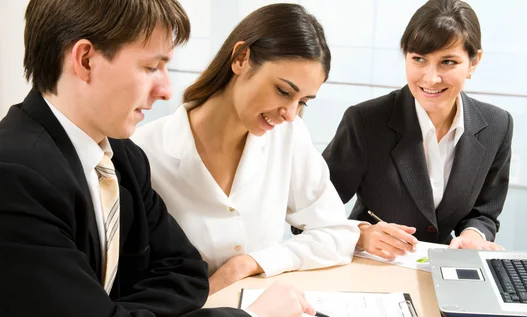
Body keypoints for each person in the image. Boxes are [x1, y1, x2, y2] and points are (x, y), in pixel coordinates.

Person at [0, 1, 317, 317]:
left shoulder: (122, 157)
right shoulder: (14, 173)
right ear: (85, 60)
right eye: (151, 67)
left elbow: (185, 272)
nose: (166, 89)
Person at [133, 3, 359, 295]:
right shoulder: (143, 152)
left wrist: (250, 263)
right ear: (241, 59)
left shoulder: (287, 136)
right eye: (283, 91)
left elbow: (336, 234)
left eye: (303, 101)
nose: (290, 113)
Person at [322, 0, 513, 260]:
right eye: (419, 59)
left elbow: (484, 212)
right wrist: (361, 234)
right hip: (372, 266)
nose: (431, 78)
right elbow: (309, 213)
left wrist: (473, 235)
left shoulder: (497, 125)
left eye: (448, 62)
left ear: (473, 62)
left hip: (441, 269)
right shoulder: (365, 121)